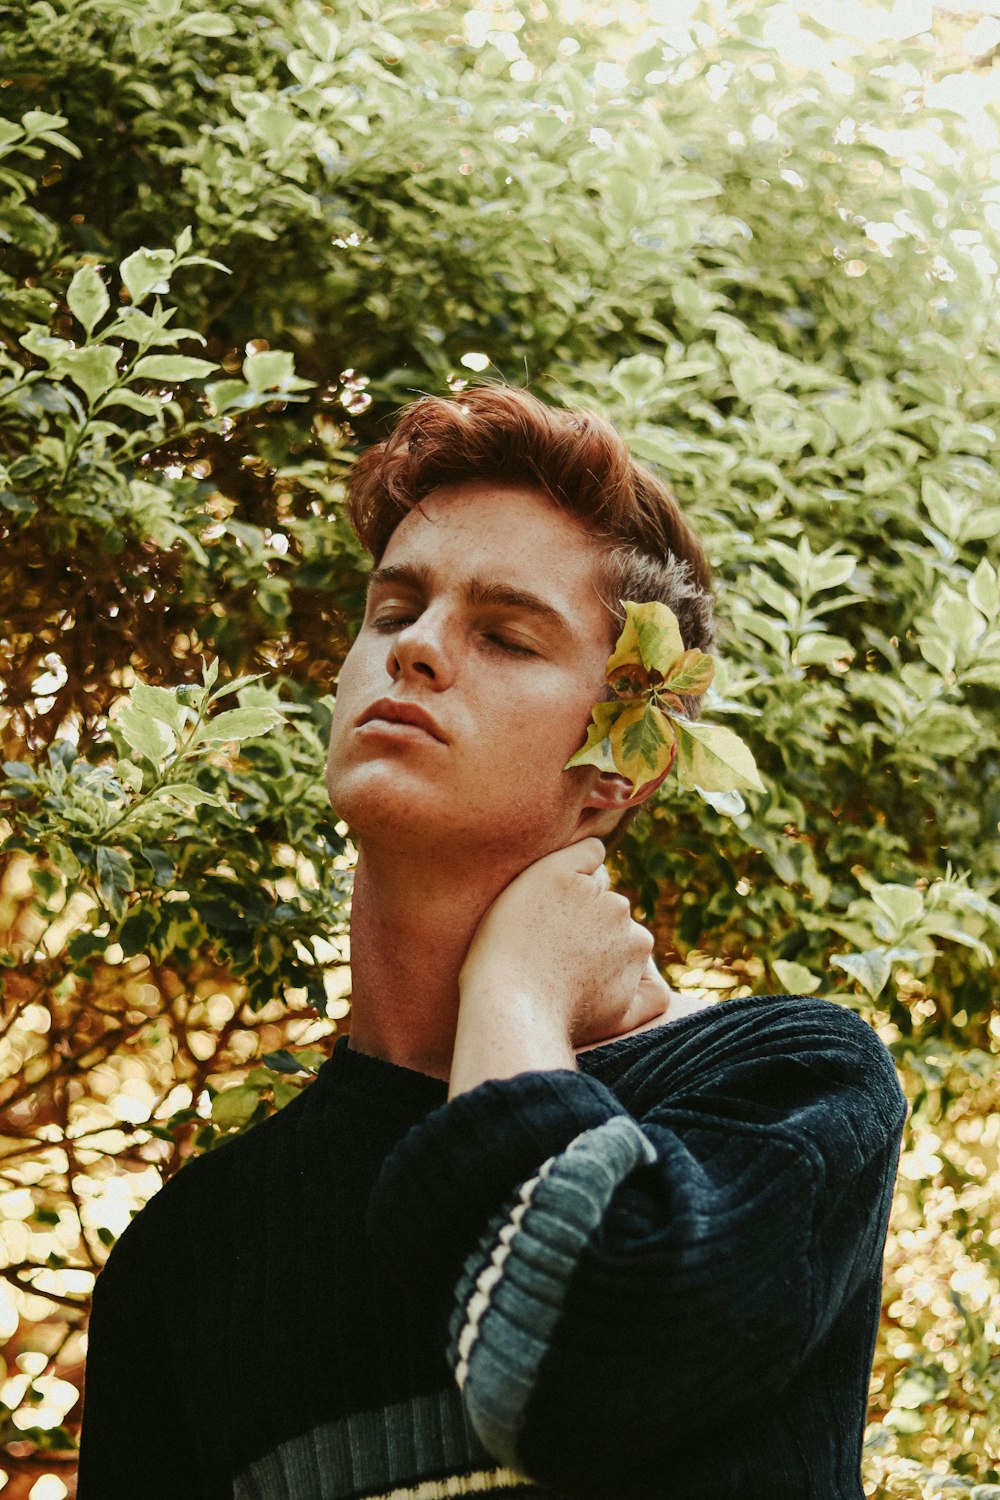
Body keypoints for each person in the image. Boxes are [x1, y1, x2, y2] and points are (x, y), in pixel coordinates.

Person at [78, 386, 906, 1499]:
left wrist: (514, 985)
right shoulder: (196, 1251)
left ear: (623, 765)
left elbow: (574, 1375)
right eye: (391, 611)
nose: (415, 649)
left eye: (505, 634)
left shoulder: (785, 1083)